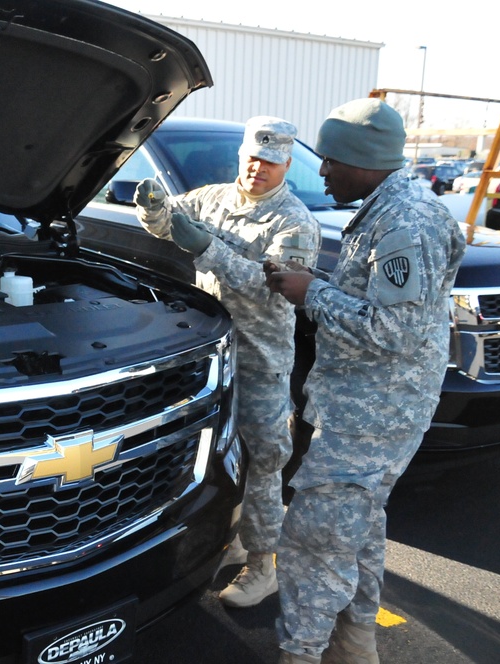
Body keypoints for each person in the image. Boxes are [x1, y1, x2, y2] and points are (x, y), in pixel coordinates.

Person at [265, 99, 466, 664]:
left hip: (372, 415)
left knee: (314, 541)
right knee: (358, 529)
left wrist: (313, 293)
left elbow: (393, 329)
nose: (322, 170)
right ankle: (355, 643)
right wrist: (316, 282)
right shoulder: (387, 206)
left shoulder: (405, 220)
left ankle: (302, 653)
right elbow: (381, 300)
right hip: (368, 405)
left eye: (331, 160)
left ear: (365, 161)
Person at [133, 116, 321, 609]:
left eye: (272, 162)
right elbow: (168, 221)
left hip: (260, 357)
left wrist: (205, 247)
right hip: (212, 353)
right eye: (252, 158)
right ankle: (233, 537)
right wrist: (152, 209)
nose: (259, 169)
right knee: (214, 452)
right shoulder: (212, 198)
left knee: (263, 460)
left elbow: (272, 284)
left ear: (286, 164)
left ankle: (263, 566)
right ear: (241, 155)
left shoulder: (295, 221)